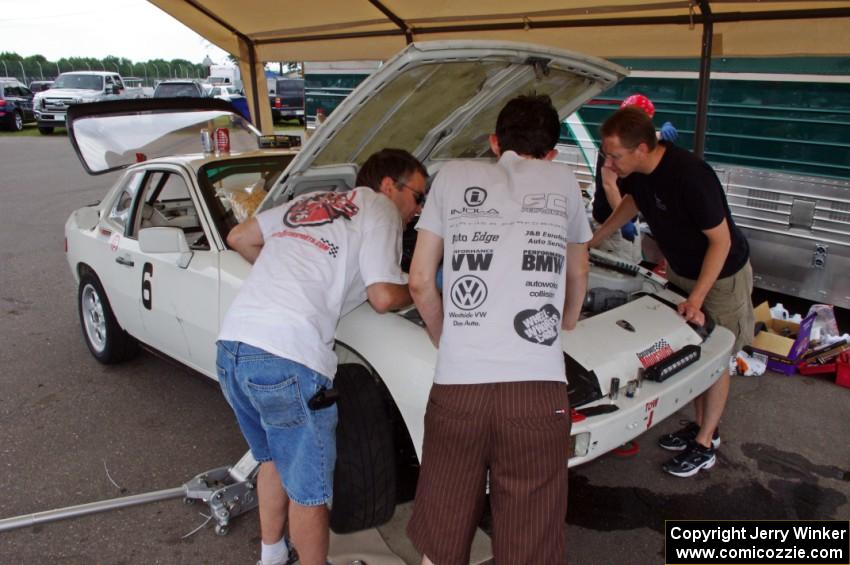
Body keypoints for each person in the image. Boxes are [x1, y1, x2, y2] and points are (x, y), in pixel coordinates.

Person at [216, 148, 426, 565]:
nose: (417, 211)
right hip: (287, 357)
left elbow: (239, 237)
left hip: (233, 347)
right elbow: (383, 295)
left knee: (274, 458)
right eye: (418, 197)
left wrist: (298, 278)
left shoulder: (312, 202)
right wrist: (422, 289)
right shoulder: (380, 208)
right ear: (389, 186)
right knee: (310, 492)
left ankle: (272, 557)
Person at [407, 94, 591, 564]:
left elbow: (420, 280)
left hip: (458, 389)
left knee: (443, 531)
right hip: (536, 390)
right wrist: (566, 320)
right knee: (528, 541)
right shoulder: (563, 180)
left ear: (495, 142)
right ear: (551, 152)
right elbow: (579, 272)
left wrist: (443, 336)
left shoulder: (452, 177)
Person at [589, 106, 754, 478]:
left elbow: (721, 241)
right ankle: (699, 427)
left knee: (715, 355)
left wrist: (696, 298)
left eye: (615, 156)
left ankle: (706, 443)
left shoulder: (690, 176)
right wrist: (593, 241)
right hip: (682, 271)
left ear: (643, 148)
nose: (610, 165)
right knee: (689, 350)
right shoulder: (639, 175)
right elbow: (632, 204)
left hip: (720, 275)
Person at [591, 94, 678, 263]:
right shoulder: (614, 146)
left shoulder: (635, 141)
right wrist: (622, 221)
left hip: (629, 216)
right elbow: (609, 184)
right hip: (612, 221)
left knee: (633, 266)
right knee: (617, 273)